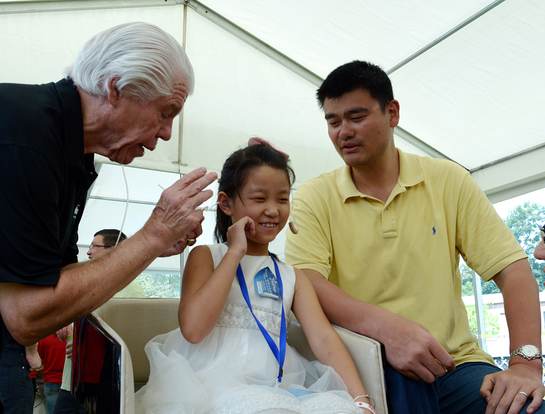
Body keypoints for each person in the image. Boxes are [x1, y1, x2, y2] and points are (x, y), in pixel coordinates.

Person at [285, 60, 544, 414]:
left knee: (526, 406)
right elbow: (305, 281)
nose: (343, 131)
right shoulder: (315, 196)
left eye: (356, 117)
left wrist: (526, 365)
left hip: (456, 365)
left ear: (392, 113)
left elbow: (513, 271)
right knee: (405, 385)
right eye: (333, 121)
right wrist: (387, 330)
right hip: (365, 366)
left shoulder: (449, 180)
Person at [0, 21, 217, 413]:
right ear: (116, 89)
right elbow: (27, 315)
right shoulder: (25, 137)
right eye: (167, 112)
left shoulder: (69, 151)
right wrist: (150, 237)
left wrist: (147, 246)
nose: (167, 134)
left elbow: (62, 285)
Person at [135, 140, 377, 414]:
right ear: (226, 203)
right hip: (206, 384)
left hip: (276, 386)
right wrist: (235, 252)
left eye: (283, 199)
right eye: (260, 199)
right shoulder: (206, 257)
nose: (273, 210)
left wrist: (361, 400)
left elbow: (323, 339)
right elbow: (193, 329)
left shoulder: (292, 276)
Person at [87, 229, 146, 297]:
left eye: (93, 246)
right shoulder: (94, 283)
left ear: (112, 250)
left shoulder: (131, 289)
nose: (88, 252)